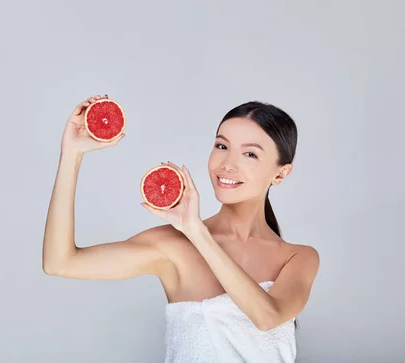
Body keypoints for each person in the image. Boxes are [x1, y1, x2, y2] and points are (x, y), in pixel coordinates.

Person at [42, 94, 320, 362]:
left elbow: (267, 317)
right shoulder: (172, 247)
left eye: (249, 154)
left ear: (280, 173)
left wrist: (197, 232)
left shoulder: (298, 258)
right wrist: (71, 153)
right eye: (222, 146)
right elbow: (60, 263)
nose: (227, 164)